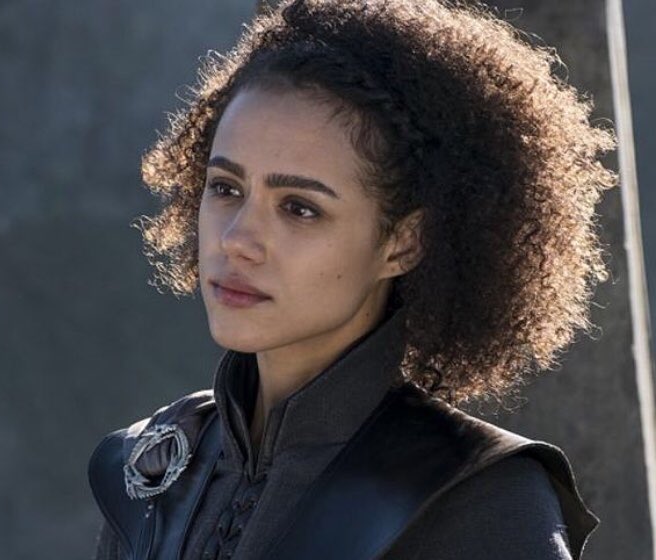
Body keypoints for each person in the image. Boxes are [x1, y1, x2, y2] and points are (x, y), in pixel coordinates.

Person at [88, 0, 617, 558]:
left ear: (403, 242)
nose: (237, 239)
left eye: (299, 208)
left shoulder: (478, 499)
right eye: (225, 188)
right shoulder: (156, 466)